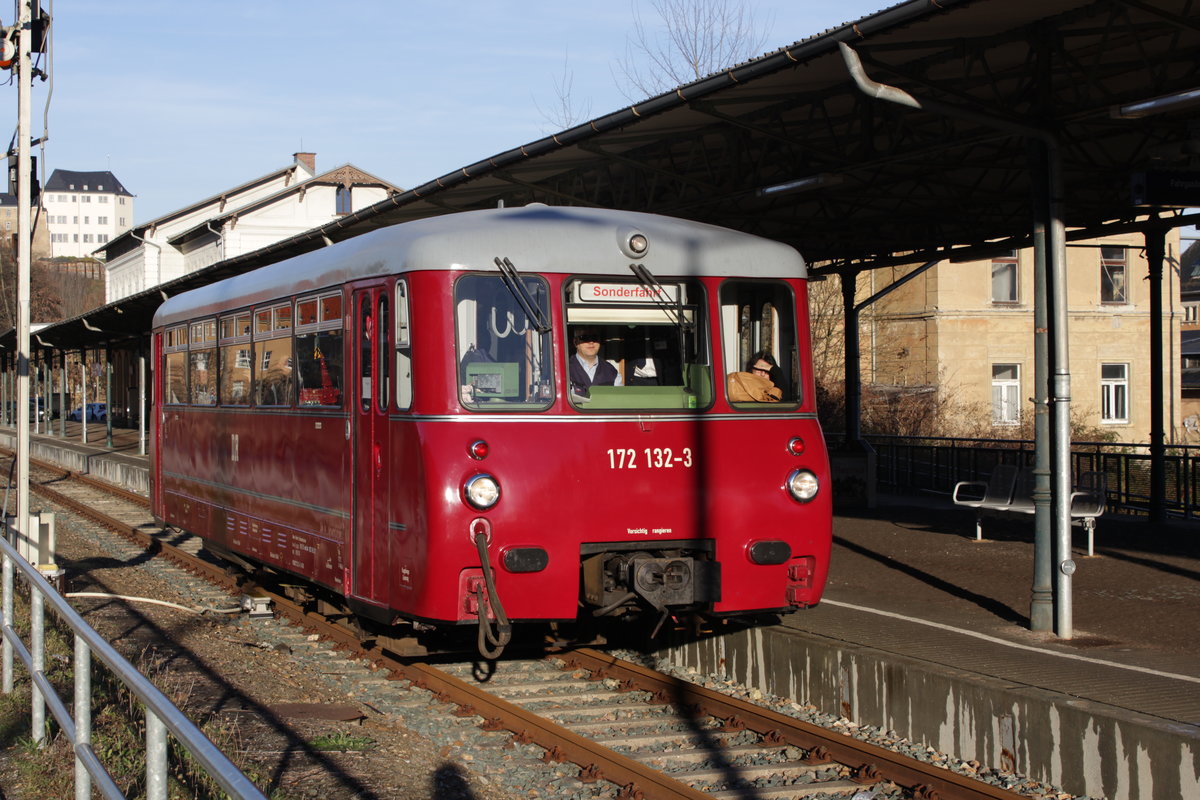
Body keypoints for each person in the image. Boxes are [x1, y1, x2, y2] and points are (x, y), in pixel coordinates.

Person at [569, 328, 622, 397]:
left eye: (594, 337)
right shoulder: (564, 369)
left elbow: (619, 399)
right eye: (585, 337)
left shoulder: (612, 372)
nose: (591, 342)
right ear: (575, 342)